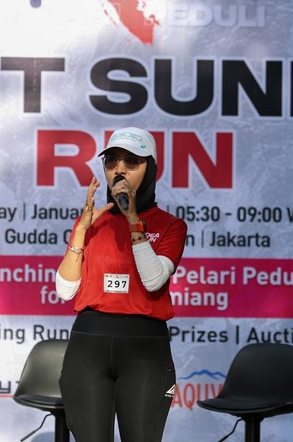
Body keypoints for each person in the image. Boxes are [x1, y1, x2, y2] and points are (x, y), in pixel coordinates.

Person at [55, 127, 188, 442]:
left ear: (150, 169)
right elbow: (65, 290)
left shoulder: (171, 226)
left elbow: (153, 280)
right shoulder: (92, 221)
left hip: (144, 348)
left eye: (131, 161)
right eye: (112, 161)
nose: (120, 169)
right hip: (89, 345)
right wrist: (80, 232)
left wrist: (132, 219)